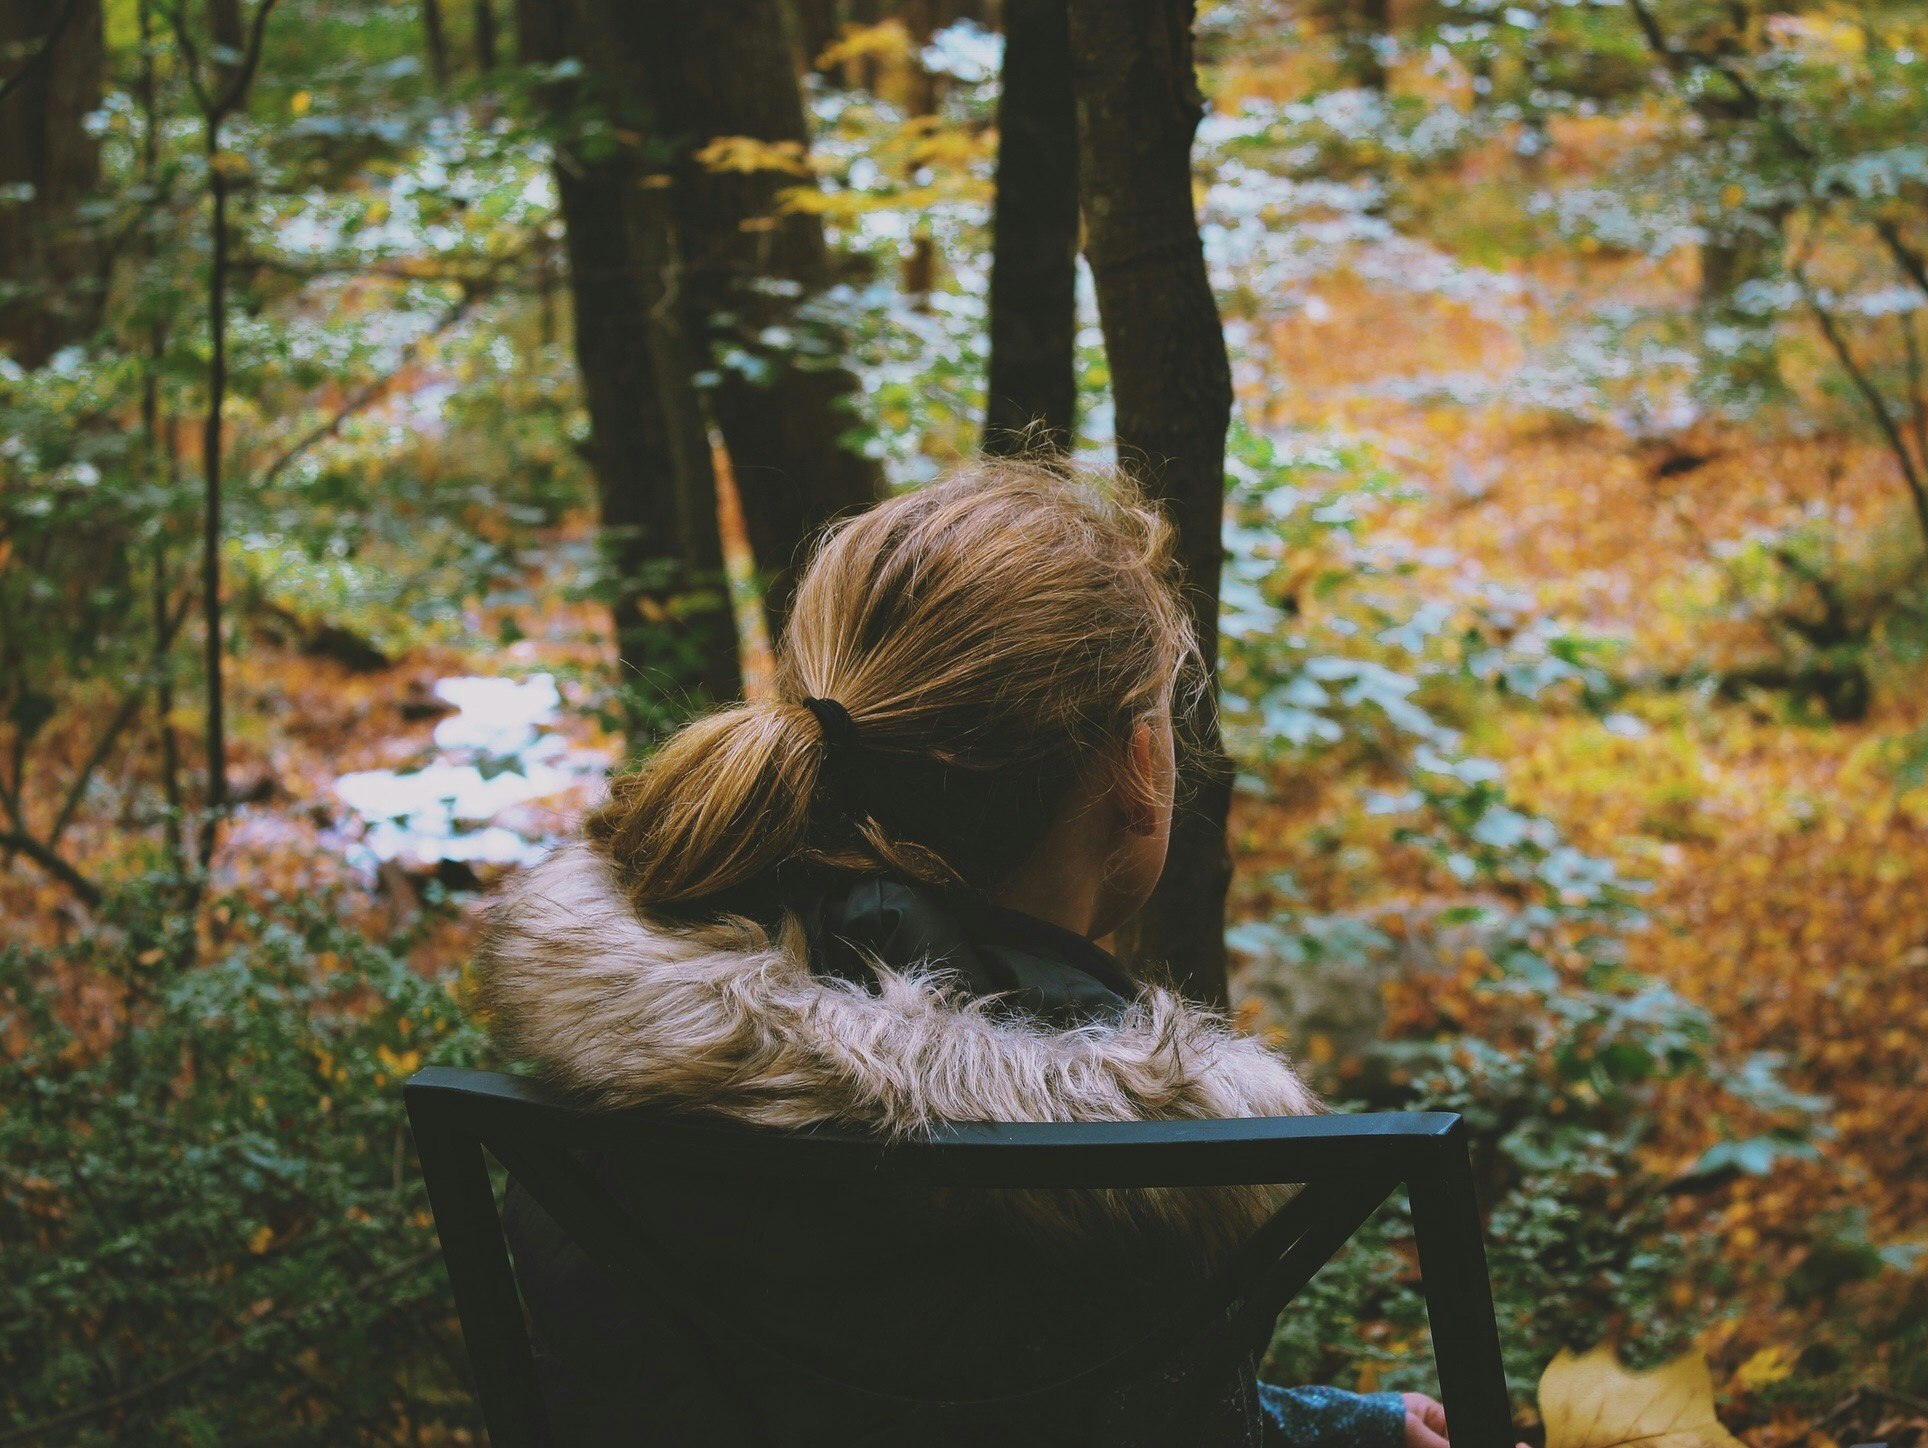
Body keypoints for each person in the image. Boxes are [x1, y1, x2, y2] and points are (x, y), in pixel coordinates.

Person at [474, 460, 1454, 1447]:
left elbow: (840, 1388)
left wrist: (1338, 1424)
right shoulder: (1131, 1179)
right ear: (1141, 768)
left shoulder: (632, 1057)